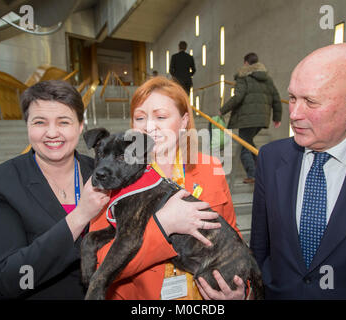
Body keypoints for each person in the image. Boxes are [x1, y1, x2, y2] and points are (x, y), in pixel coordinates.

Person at [250, 43, 346, 299]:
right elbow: (260, 248)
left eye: (310, 101)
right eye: (293, 97)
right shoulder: (270, 158)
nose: (295, 113)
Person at [89, 76, 248, 300]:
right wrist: (163, 225)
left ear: (183, 121)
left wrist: (241, 292)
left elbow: (233, 240)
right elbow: (100, 263)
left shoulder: (210, 167)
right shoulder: (115, 177)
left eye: (161, 117)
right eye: (140, 118)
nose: (149, 127)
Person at [0, 80, 110, 299]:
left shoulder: (102, 173)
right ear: (27, 126)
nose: (52, 133)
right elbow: (6, 280)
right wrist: (79, 216)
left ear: (80, 126)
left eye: (63, 122)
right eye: (40, 122)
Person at [220, 52, 282, 184]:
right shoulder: (267, 78)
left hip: (247, 119)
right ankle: (264, 168)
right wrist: (277, 117)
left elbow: (238, 97)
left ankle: (253, 174)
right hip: (262, 118)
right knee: (249, 144)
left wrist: (223, 110)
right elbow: (276, 98)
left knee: (243, 147)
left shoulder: (243, 77)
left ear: (246, 63)